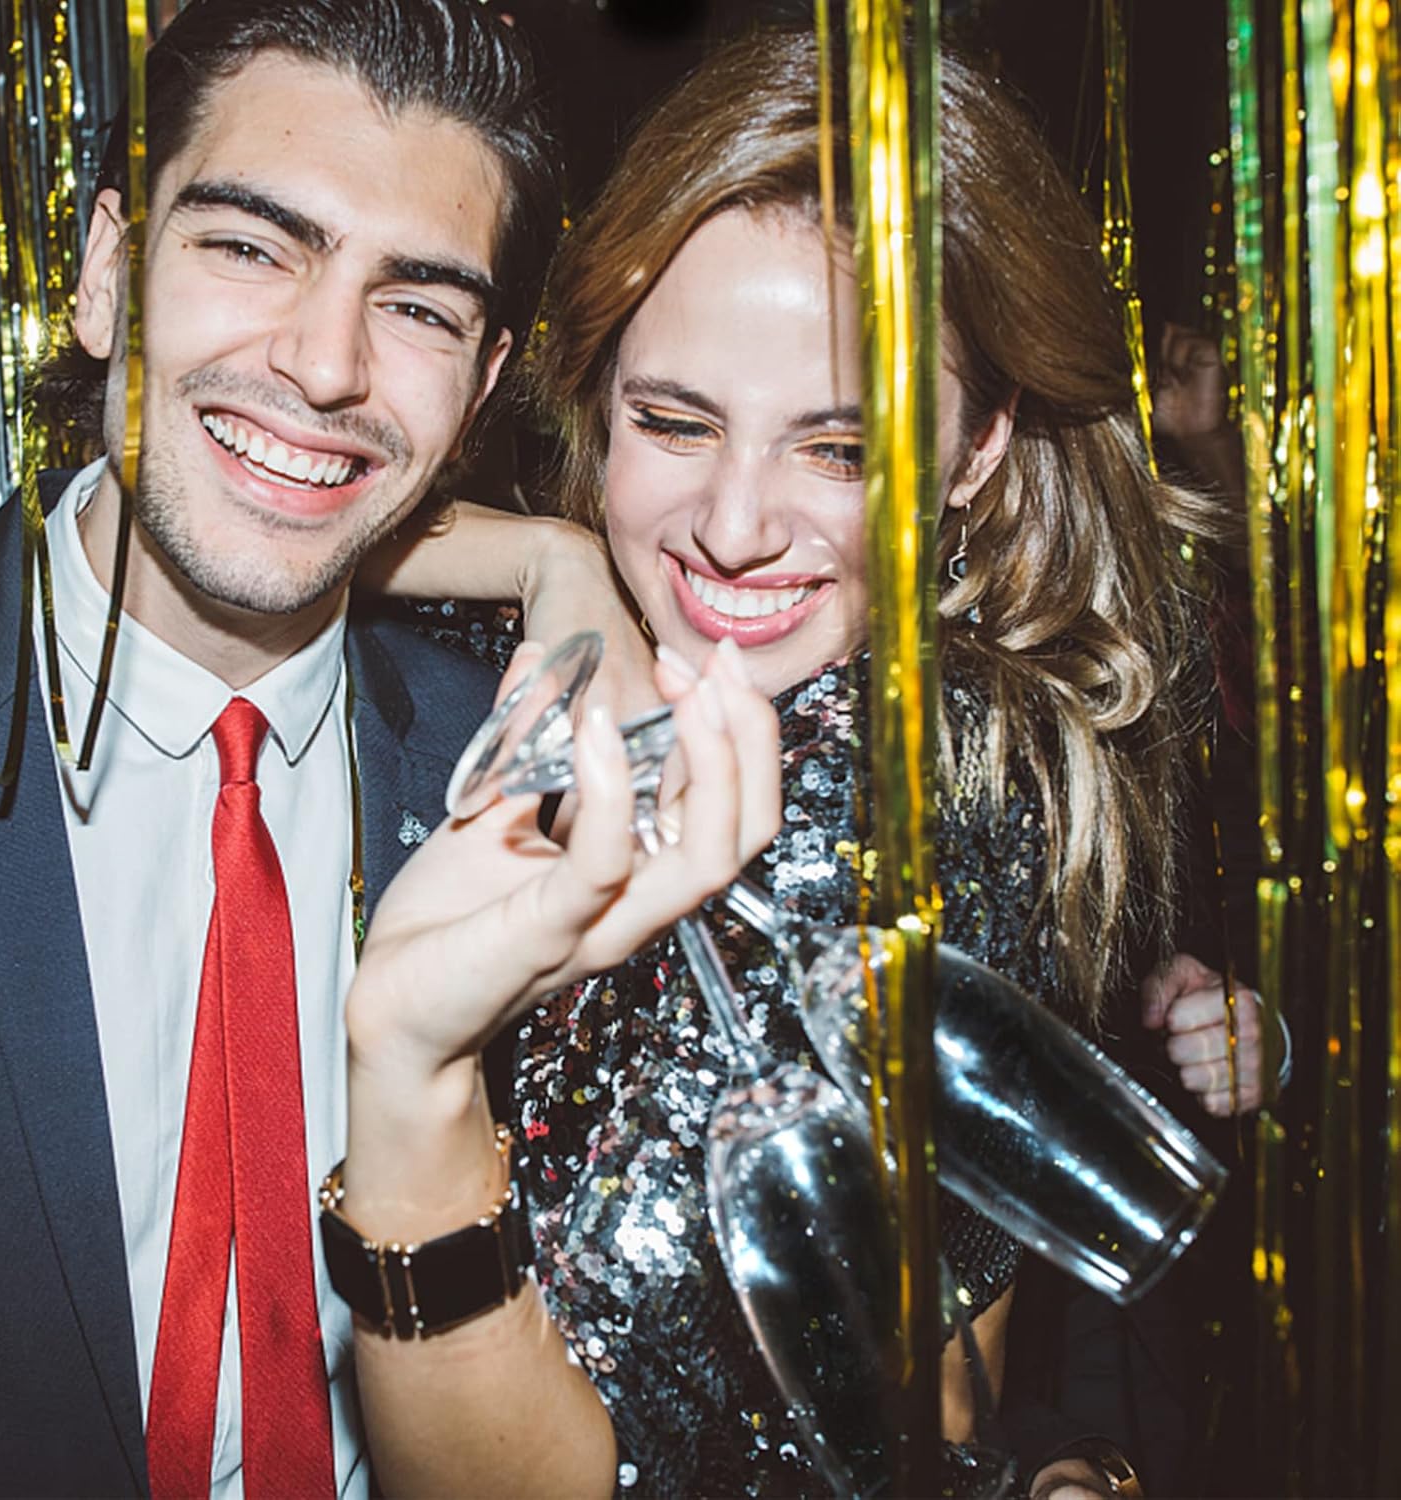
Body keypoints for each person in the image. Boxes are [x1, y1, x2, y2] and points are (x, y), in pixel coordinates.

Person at [335, 26, 1243, 1500]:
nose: (735, 526)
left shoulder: (884, 803)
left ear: (977, 451)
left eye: (841, 451)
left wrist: (413, 1090)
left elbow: (590, 1475)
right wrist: (552, 558)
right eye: (674, 421)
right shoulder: (643, 660)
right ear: (593, 399)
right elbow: (264, 495)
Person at [0, 1, 682, 1493]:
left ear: (481, 388)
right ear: (106, 275)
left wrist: (564, 563)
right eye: (252, 246)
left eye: (420, 309)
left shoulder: (535, 788)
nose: (326, 365)